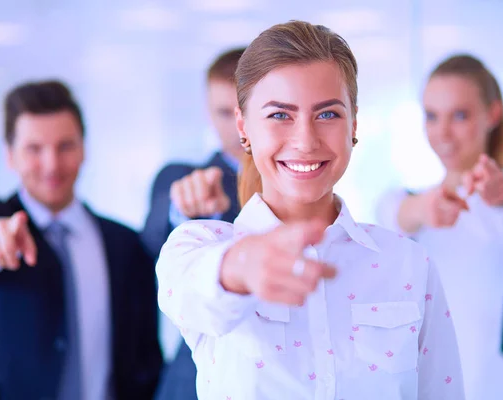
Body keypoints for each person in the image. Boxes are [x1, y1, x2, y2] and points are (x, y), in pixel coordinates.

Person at [156, 21, 465, 400]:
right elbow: (193, 292)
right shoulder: (197, 247)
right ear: (243, 126)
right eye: (279, 115)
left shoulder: (409, 263)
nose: (305, 141)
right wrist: (240, 268)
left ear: (354, 123)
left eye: (327, 114)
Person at [376, 54, 503, 400]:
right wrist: (422, 208)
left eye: (459, 115)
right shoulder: (407, 205)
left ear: (492, 114)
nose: (442, 132)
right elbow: (393, 214)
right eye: (432, 116)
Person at [0, 80, 163, 400]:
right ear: (9, 155)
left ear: (84, 148)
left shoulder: (125, 245)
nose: (52, 165)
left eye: (65, 146)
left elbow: (143, 360)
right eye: (34, 149)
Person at [143, 47, 246, 400]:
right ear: (207, 112)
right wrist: (186, 210)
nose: (238, 128)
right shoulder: (183, 177)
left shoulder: (299, 187)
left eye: (246, 112)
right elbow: (151, 243)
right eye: (223, 113)